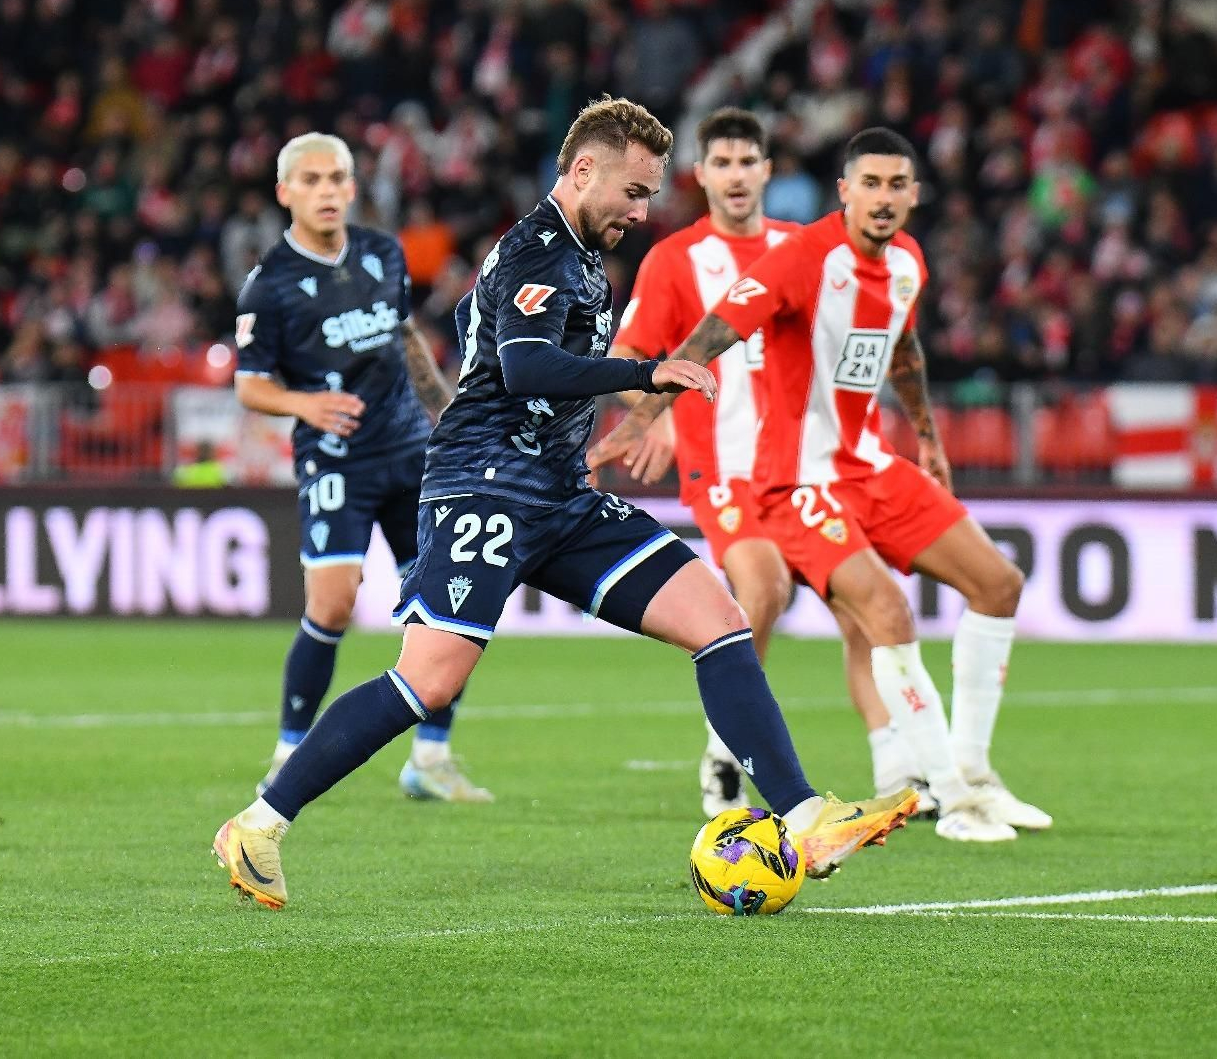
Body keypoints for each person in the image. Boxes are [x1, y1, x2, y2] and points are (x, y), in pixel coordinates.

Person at [213, 98, 916, 910]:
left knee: (717, 620)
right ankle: (259, 822)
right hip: (485, 486)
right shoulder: (536, 250)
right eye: (634, 190)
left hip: (559, 495)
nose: (642, 210)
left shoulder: (586, 256)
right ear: (584, 170)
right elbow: (524, 367)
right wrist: (643, 373)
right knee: (428, 682)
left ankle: (804, 815)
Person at [594, 128, 1051, 842]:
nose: (884, 198)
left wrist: (927, 436)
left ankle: (975, 776)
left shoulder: (907, 262)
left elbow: (900, 345)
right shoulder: (801, 256)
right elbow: (718, 327)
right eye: (870, 183)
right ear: (844, 190)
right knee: (873, 613)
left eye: (898, 185)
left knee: (999, 584)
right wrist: (647, 412)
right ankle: (951, 801)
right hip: (792, 478)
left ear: (914, 195)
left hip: (868, 465)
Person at [609, 108, 926, 823]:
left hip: (810, 469)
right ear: (702, 176)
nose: (736, 176)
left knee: (860, 611)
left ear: (767, 171)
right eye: (721, 164)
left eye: (748, 162)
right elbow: (631, 359)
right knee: (763, 588)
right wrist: (649, 411)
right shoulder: (674, 260)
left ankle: (900, 770)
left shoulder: (810, 246)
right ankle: (727, 752)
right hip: (723, 468)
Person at [233, 132, 491, 803]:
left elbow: (405, 340)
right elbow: (250, 383)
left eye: (336, 179)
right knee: (334, 603)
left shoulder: (382, 253)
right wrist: (304, 404)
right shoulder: (269, 286)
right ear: (285, 193)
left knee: (448, 603)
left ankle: (430, 760)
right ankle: (289, 751)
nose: (326, 191)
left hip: (411, 451)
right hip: (338, 458)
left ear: (352, 188)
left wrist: (449, 413)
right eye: (311, 181)